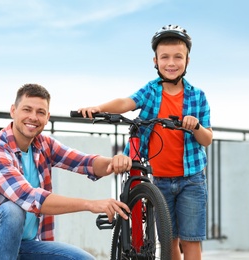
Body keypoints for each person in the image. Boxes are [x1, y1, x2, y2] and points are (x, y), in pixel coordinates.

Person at [77, 24, 213, 260]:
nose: (171, 63)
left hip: (192, 179)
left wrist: (196, 126)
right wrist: (98, 108)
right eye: (165, 57)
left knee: (191, 243)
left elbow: (207, 139)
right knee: (168, 244)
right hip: (159, 180)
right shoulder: (151, 91)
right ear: (155, 61)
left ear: (187, 61)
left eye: (177, 57)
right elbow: (125, 102)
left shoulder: (197, 96)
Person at [0, 83, 132, 260]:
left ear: (47, 117)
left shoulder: (44, 145)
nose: (33, 117)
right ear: (13, 111)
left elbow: (86, 163)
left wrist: (115, 161)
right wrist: (90, 204)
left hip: (26, 245)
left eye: (40, 112)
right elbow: (31, 198)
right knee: (12, 210)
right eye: (27, 110)